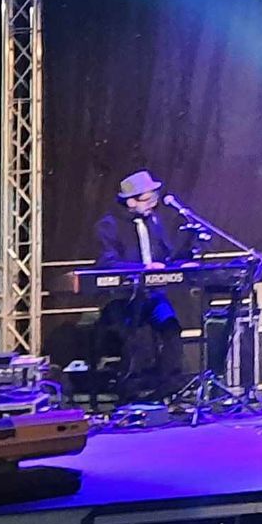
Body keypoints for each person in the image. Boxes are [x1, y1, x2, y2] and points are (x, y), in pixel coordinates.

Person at [92, 170, 200, 400]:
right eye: (147, 198)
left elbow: (165, 256)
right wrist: (142, 269)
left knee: (171, 329)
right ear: (131, 201)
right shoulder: (109, 226)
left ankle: (170, 386)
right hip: (122, 299)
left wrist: (184, 260)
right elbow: (107, 262)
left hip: (153, 296)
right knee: (135, 337)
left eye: (154, 198)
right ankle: (132, 392)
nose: (153, 203)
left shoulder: (154, 222)